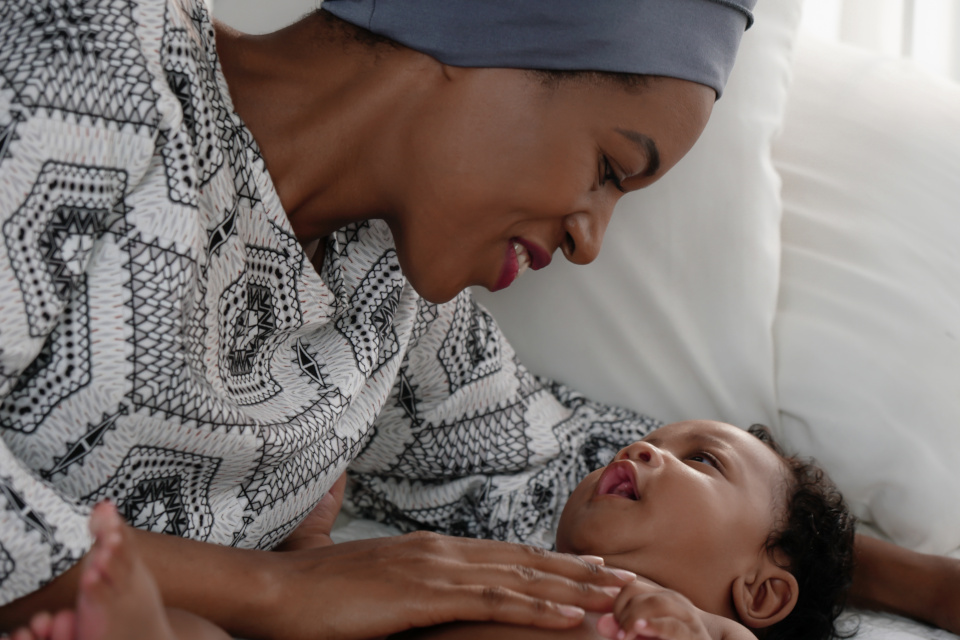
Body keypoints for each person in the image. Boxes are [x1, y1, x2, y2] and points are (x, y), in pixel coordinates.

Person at [0, 1, 957, 639]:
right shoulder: (92, 51)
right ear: (497, 28)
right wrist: (272, 589)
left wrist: (921, 586)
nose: (590, 240)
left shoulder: (395, 303)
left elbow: (573, 474)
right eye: (610, 168)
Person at [4, 420, 856, 640]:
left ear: (761, 590)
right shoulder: (503, 570)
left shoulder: (667, 617)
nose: (642, 447)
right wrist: (310, 551)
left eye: (703, 461)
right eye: (652, 438)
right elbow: (350, 613)